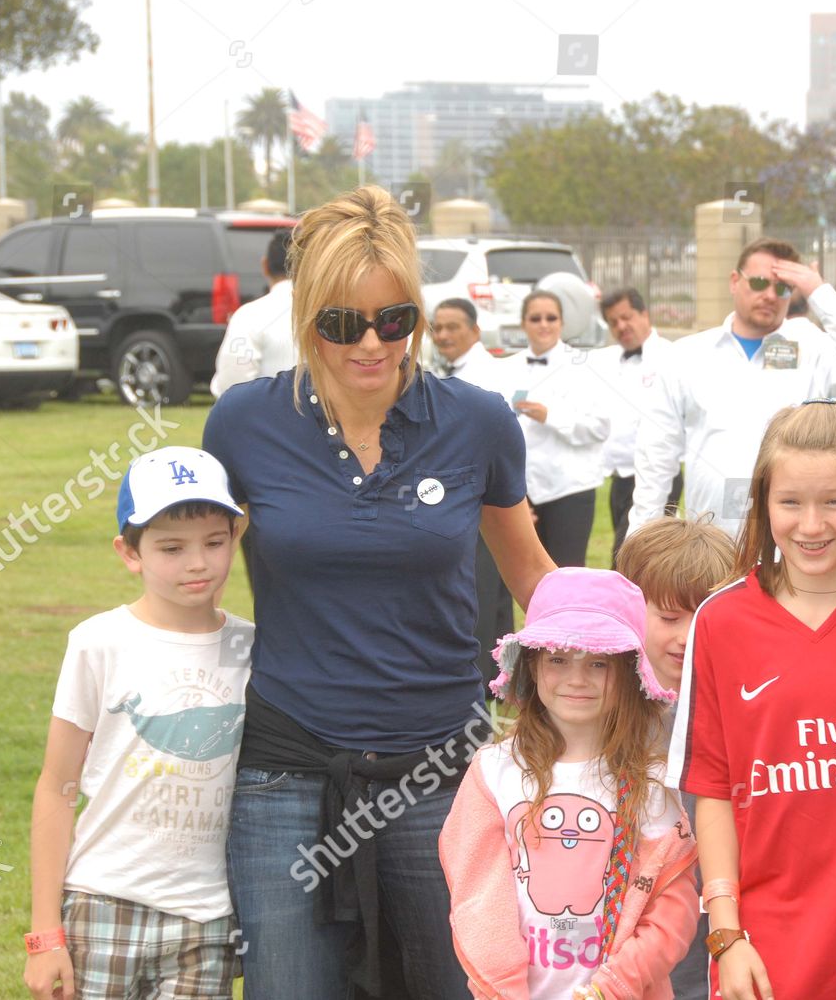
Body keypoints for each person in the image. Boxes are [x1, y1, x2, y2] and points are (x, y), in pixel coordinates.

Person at [202, 185, 554, 999]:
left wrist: (639, 663)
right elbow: (198, 571)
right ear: (305, 319)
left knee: (460, 984)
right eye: (342, 323)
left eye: (394, 320)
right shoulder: (243, 425)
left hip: (440, 766)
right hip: (285, 773)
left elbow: (532, 574)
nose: (371, 344)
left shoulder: (477, 423)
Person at [668, 401, 836, 1000]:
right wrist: (726, 936)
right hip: (762, 944)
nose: (811, 525)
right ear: (763, 504)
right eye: (790, 503)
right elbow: (710, 788)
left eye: (835, 501)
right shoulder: (722, 620)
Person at [24, 446, 250, 1000]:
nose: (197, 563)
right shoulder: (98, 643)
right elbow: (56, 787)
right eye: (171, 548)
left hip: (206, 919)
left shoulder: (252, 646)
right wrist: (45, 934)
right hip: (102, 904)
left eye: (214, 542)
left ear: (235, 537)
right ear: (129, 552)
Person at [442, 567, 699, 1000]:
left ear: (630, 673)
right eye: (558, 659)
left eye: (598, 663)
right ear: (531, 666)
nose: (576, 679)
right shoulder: (494, 773)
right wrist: (506, 993)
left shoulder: (653, 783)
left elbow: (675, 910)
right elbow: (477, 899)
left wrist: (613, 987)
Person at [630, 238, 836, 537]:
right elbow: (657, 453)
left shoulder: (809, 346)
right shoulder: (687, 355)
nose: (770, 295)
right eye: (760, 282)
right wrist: (640, 536)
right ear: (735, 281)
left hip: (790, 540)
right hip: (710, 538)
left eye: (782, 287)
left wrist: (818, 290)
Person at [614, 515, 737, 1000]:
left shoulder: (737, 701)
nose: (688, 636)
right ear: (629, 610)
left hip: (712, 901)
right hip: (628, 912)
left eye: (704, 617)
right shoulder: (608, 704)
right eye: (668, 618)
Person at [491, 291, 610, 568]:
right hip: (521, 492)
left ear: (562, 323)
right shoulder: (505, 368)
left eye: (551, 318)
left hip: (569, 489)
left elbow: (600, 427)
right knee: (526, 575)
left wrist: (550, 416)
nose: (543, 324)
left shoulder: (585, 366)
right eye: (535, 318)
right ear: (523, 324)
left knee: (566, 573)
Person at [431, 297, 516, 680]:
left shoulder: (485, 376)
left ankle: (484, 676)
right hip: (468, 493)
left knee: (482, 589)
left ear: (476, 331)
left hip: (482, 493)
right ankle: (501, 672)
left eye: (453, 327)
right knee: (492, 591)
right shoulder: (443, 369)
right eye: (438, 328)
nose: (444, 335)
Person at [597, 287, 682, 564]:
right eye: (613, 322)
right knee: (646, 562)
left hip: (659, 473)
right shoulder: (607, 361)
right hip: (619, 477)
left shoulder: (673, 358)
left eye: (627, 317)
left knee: (627, 560)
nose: (621, 326)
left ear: (644, 314)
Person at [211, 229, 296, 396]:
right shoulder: (330, 314)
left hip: (262, 416)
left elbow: (232, 385)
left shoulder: (250, 316)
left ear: (264, 265)